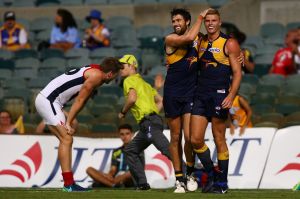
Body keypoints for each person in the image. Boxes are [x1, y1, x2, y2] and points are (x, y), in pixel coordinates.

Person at [35, 57, 123, 192]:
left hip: (50, 101)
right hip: (49, 101)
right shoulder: (96, 76)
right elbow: (79, 100)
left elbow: (83, 100)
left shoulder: (96, 71)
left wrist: (69, 120)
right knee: (67, 138)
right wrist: (68, 122)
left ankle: (69, 183)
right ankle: (69, 184)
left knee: (65, 139)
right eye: (115, 76)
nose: (113, 80)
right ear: (110, 74)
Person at [190, 9, 242, 194]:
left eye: (214, 20)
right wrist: (199, 17)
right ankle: (212, 174)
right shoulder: (201, 41)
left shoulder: (229, 43)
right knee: (195, 139)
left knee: (219, 137)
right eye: (208, 20)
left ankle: (222, 184)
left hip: (220, 95)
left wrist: (231, 95)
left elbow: (237, 73)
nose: (210, 23)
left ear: (220, 23)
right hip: (200, 94)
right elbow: (188, 38)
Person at [164, 7, 211, 193]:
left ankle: (190, 173)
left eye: (179, 21)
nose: (176, 24)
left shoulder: (199, 38)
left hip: (191, 92)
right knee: (175, 137)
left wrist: (237, 57)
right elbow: (188, 39)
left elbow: (216, 49)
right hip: (172, 94)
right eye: (174, 21)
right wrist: (201, 17)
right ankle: (178, 179)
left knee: (190, 138)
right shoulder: (170, 39)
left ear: (187, 22)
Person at [118, 54, 171, 190]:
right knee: (130, 150)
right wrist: (153, 112)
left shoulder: (128, 80)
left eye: (122, 66)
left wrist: (123, 112)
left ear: (131, 66)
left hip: (148, 122)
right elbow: (161, 101)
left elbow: (132, 99)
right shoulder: (146, 84)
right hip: (151, 122)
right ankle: (142, 184)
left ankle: (189, 174)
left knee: (167, 149)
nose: (120, 69)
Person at [86, 124, 136, 188]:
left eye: (127, 134)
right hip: (116, 178)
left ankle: (105, 184)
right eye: (122, 134)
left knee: (131, 172)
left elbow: (138, 169)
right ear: (119, 135)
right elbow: (113, 169)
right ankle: (113, 185)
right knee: (89, 169)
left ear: (132, 134)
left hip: (129, 178)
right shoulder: (116, 151)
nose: (125, 136)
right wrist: (109, 175)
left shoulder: (137, 150)